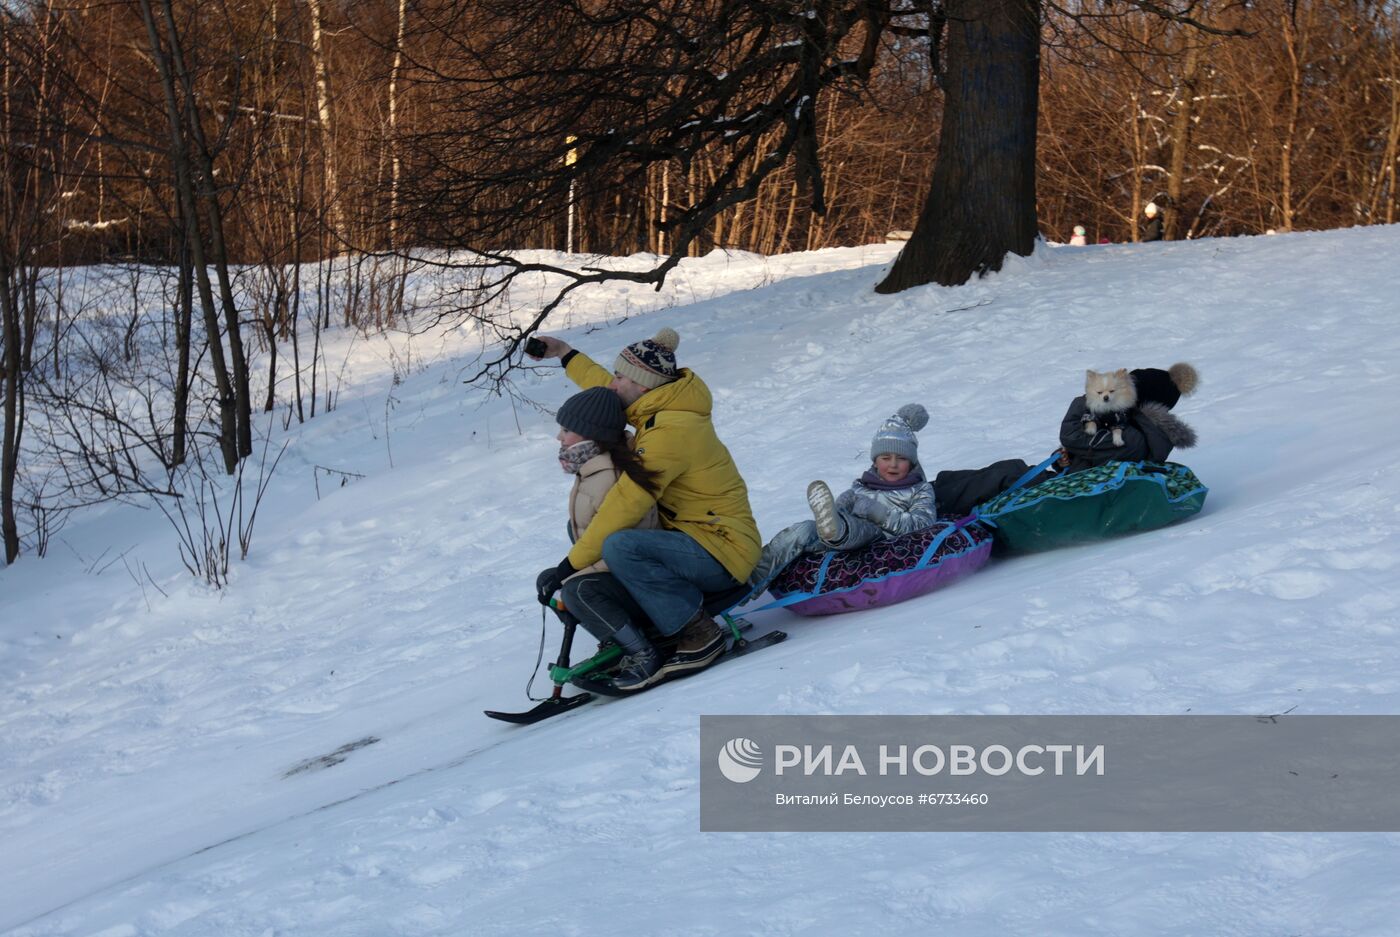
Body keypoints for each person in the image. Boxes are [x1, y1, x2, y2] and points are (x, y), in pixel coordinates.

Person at [530, 327, 760, 691]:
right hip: (690, 541)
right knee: (610, 551)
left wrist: (568, 566)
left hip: (722, 550)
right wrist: (565, 353)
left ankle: (698, 633)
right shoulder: (658, 404)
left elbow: (625, 504)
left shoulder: (672, 431)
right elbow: (603, 388)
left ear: (644, 386)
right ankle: (643, 632)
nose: (612, 383)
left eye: (620, 376)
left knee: (621, 543)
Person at [746, 404, 938, 597]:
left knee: (862, 529)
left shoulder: (919, 489)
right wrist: (840, 507)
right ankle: (746, 584)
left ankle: (836, 528)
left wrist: (879, 513)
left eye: (902, 459)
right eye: (886, 458)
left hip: (880, 537)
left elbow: (922, 525)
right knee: (803, 530)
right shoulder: (861, 486)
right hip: (843, 537)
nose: (893, 465)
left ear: (912, 462)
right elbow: (843, 510)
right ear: (875, 461)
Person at [545, 387, 665, 676]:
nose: (559, 437)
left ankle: (643, 653)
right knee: (560, 585)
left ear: (590, 434)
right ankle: (616, 638)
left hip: (641, 579)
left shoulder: (611, 477)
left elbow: (620, 548)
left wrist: (572, 575)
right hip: (621, 577)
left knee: (578, 591)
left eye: (566, 430)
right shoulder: (592, 469)